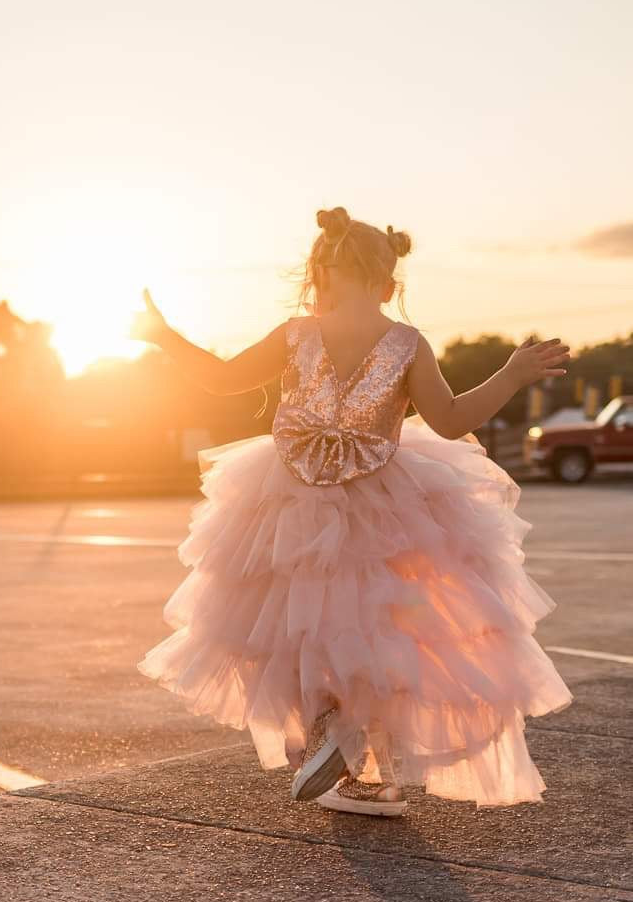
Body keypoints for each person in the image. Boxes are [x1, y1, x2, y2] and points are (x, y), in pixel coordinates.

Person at [131, 206, 573, 816]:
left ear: (321, 273)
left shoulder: (297, 333)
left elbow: (222, 379)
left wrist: (164, 337)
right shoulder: (405, 342)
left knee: (302, 628)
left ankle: (341, 735)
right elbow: (449, 422)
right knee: (380, 631)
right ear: (389, 281)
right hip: (385, 504)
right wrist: (511, 374)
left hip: (289, 501)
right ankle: (377, 776)